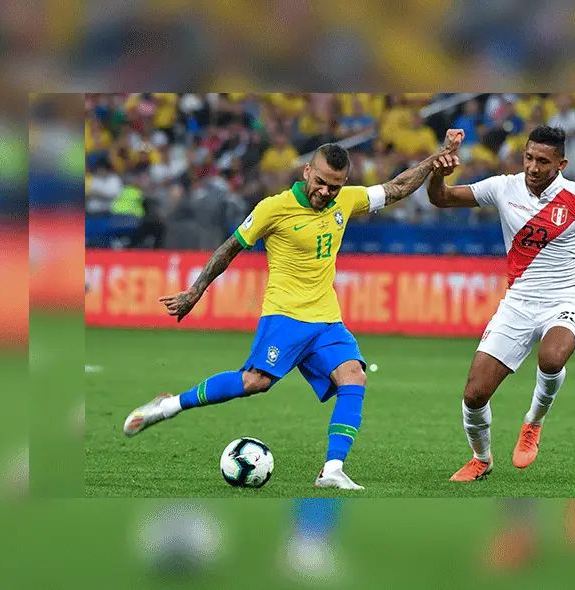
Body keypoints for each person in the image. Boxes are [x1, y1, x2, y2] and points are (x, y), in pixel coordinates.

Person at [123, 130, 466, 490]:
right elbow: (229, 248)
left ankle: (332, 470)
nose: (325, 192)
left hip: (327, 320)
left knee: (355, 377)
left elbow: (396, 187)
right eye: (320, 182)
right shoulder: (274, 208)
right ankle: (170, 405)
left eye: (334, 186)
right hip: (284, 315)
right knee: (254, 382)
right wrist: (195, 292)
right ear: (306, 172)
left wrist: (437, 157)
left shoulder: (345, 201)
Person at [426, 125, 575, 482]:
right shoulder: (503, 187)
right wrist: (437, 174)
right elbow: (441, 199)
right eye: (528, 157)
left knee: (552, 356)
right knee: (474, 394)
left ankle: (533, 423)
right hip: (517, 303)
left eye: (543, 160)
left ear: (561, 163)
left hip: (564, 299)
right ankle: (481, 459)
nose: (533, 167)